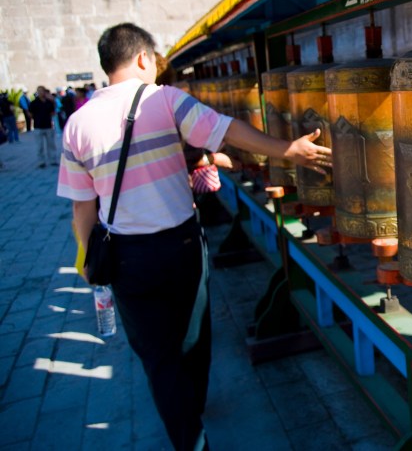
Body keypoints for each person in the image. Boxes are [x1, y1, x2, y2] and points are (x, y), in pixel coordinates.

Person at [56, 22, 331, 451]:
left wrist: (89, 263)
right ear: (144, 58)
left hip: (127, 259)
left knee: (158, 358)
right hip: (181, 247)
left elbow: (81, 207)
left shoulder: (76, 125)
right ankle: (193, 407)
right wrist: (286, 150)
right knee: (194, 339)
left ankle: (188, 438)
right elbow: (226, 129)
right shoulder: (165, 101)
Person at [29, 86, 58, 167]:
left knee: (51, 144)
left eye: (42, 91)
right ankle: (41, 161)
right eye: (39, 91)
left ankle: (53, 160)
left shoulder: (49, 102)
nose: (41, 93)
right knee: (39, 145)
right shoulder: (34, 103)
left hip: (48, 125)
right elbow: (30, 114)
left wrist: (53, 101)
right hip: (38, 126)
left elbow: (53, 112)